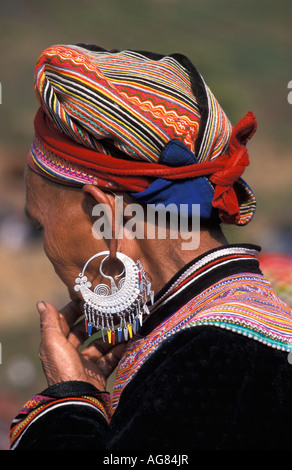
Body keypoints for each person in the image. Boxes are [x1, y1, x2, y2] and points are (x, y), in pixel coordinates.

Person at [9, 44, 292, 451]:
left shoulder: (215, 361)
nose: (47, 250)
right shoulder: (220, 338)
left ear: (102, 214)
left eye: (41, 223)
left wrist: (69, 404)